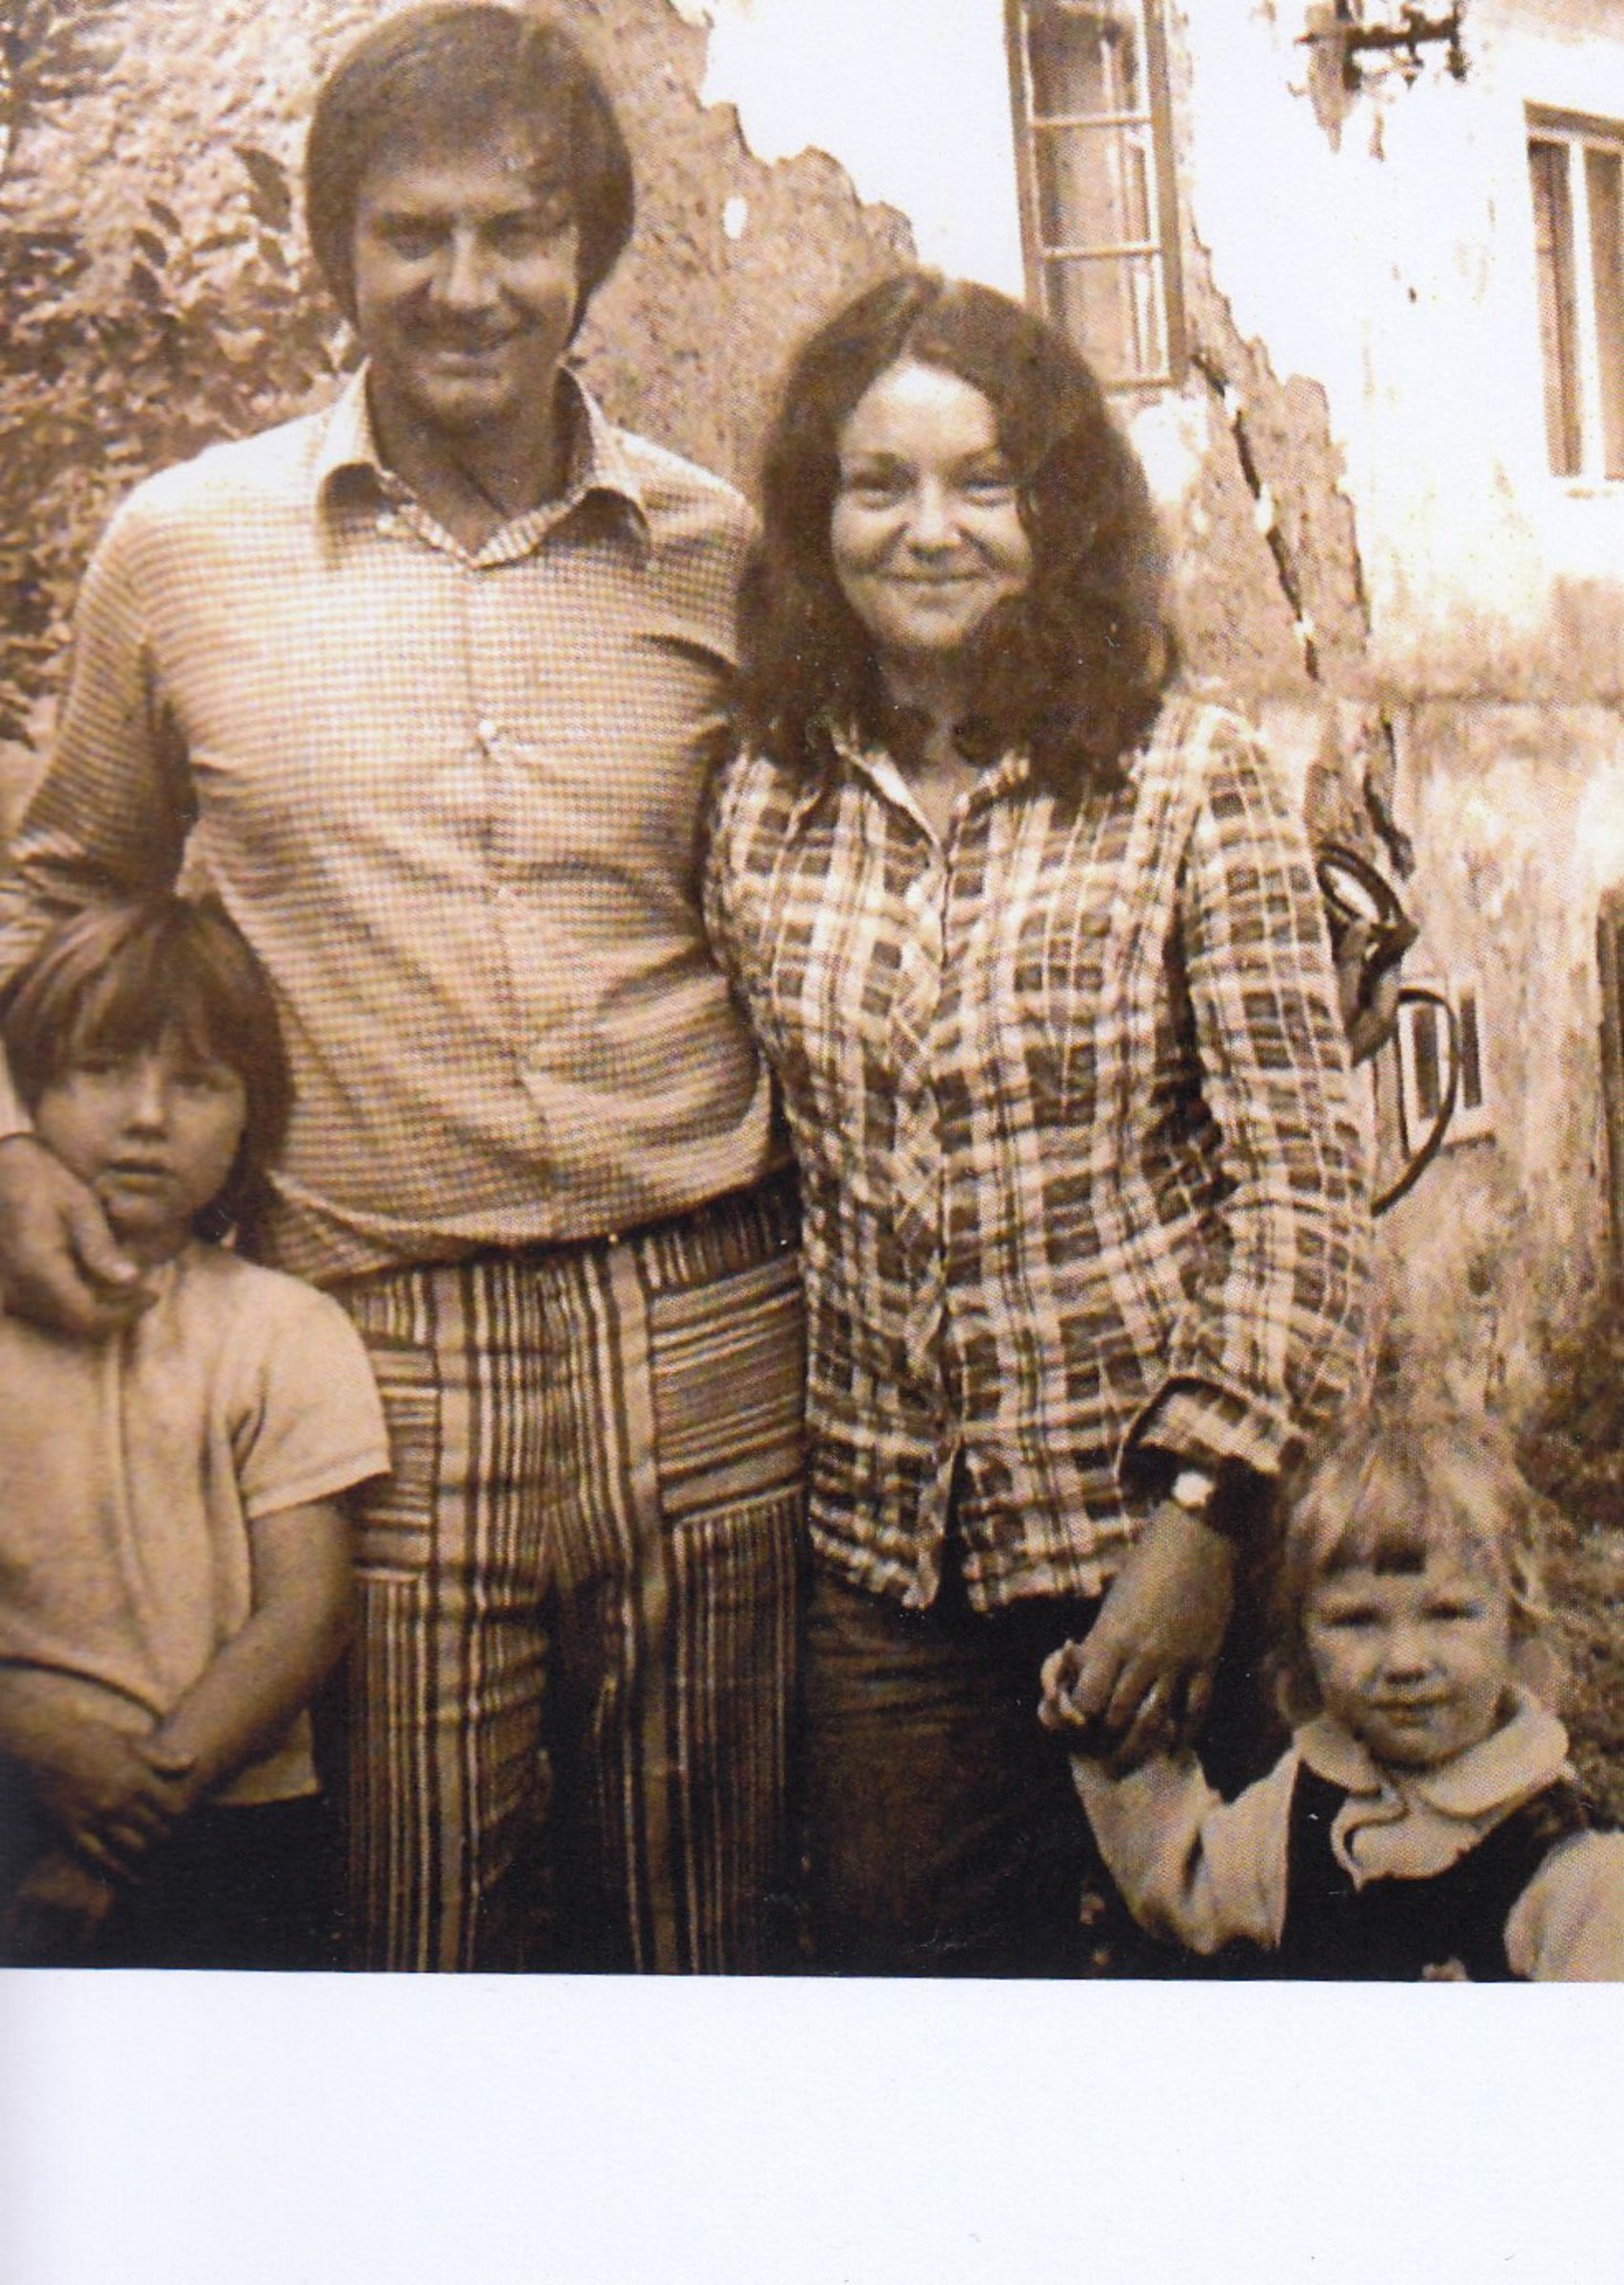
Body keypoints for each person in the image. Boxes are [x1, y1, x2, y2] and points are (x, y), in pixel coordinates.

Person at [0, 5, 803, 1973]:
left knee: (699, 1950)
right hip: (378, 1348)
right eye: (411, 233)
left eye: (519, 233)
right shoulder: (182, 553)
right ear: (336, 253)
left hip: (707, 1320)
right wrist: (18, 1151)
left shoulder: (716, 553)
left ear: (590, 252)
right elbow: (62, 887)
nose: (466, 287)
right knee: (415, 1943)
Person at [704, 270, 1372, 1975]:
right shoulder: (765, 796)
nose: (929, 531)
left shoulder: (1188, 778)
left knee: (1237, 1994)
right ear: (816, 517)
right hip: (888, 1572)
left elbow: (1301, 1187)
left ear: (1055, 512)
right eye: (878, 484)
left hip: (1167, 1550)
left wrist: (1201, 1523)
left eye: (982, 483)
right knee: (922, 2026)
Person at [0, 896, 388, 1969]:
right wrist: (34, 1736)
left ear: (252, 1116)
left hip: (222, 1811)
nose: (147, 1117)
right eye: (101, 1071)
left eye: (199, 1083)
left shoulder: (282, 1327)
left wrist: (130, 1818)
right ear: (28, 1093)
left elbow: (306, 1612)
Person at [1044, 1404, 1624, 1979]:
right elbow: (1190, 1888)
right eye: (1356, 1620)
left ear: (1514, 1621)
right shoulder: (1306, 1799)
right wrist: (1111, 1729)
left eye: (1447, 1614)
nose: (1405, 1662)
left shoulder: (1576, 1871)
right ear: (1303, 1635)